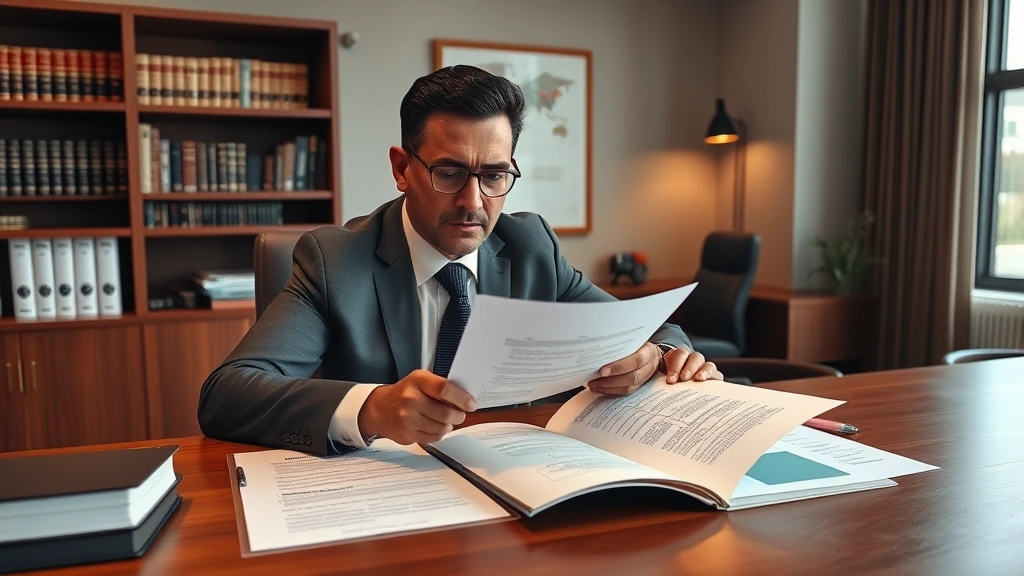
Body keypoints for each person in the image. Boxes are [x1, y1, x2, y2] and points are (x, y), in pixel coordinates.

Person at [198, 65, 723, 455]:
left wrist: (656, 354)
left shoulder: (531, 247)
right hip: (386, 502)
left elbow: (645, 328)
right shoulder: (335, 261)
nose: (473, 202)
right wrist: (373, 408)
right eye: (448, 173)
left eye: (494, 176)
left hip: (518, 494)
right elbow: (227, 394)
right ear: (402, 169)